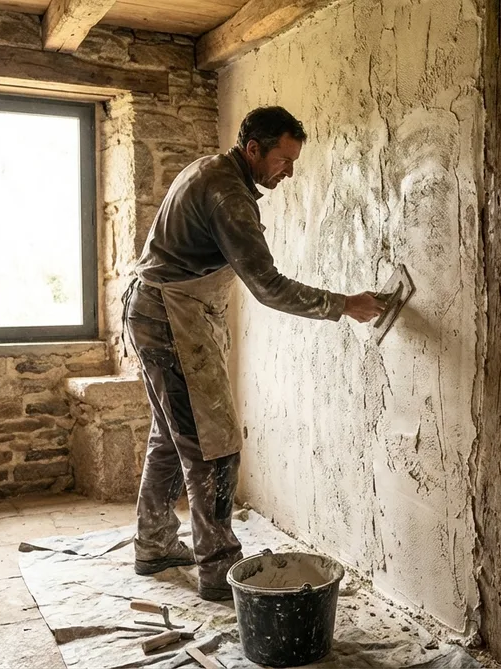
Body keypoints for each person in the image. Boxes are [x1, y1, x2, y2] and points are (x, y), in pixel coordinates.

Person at [122, 106, 386, 600]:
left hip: (156, 312)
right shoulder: (228, 194)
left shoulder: (211, 169)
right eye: (283, 160)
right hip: (169, 319)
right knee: (213, 446)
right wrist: (344, 305)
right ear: (253, 149)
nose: (288, 171)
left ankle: (154, 544)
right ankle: (219, 568)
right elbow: (267, 285)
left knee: (172, 436)